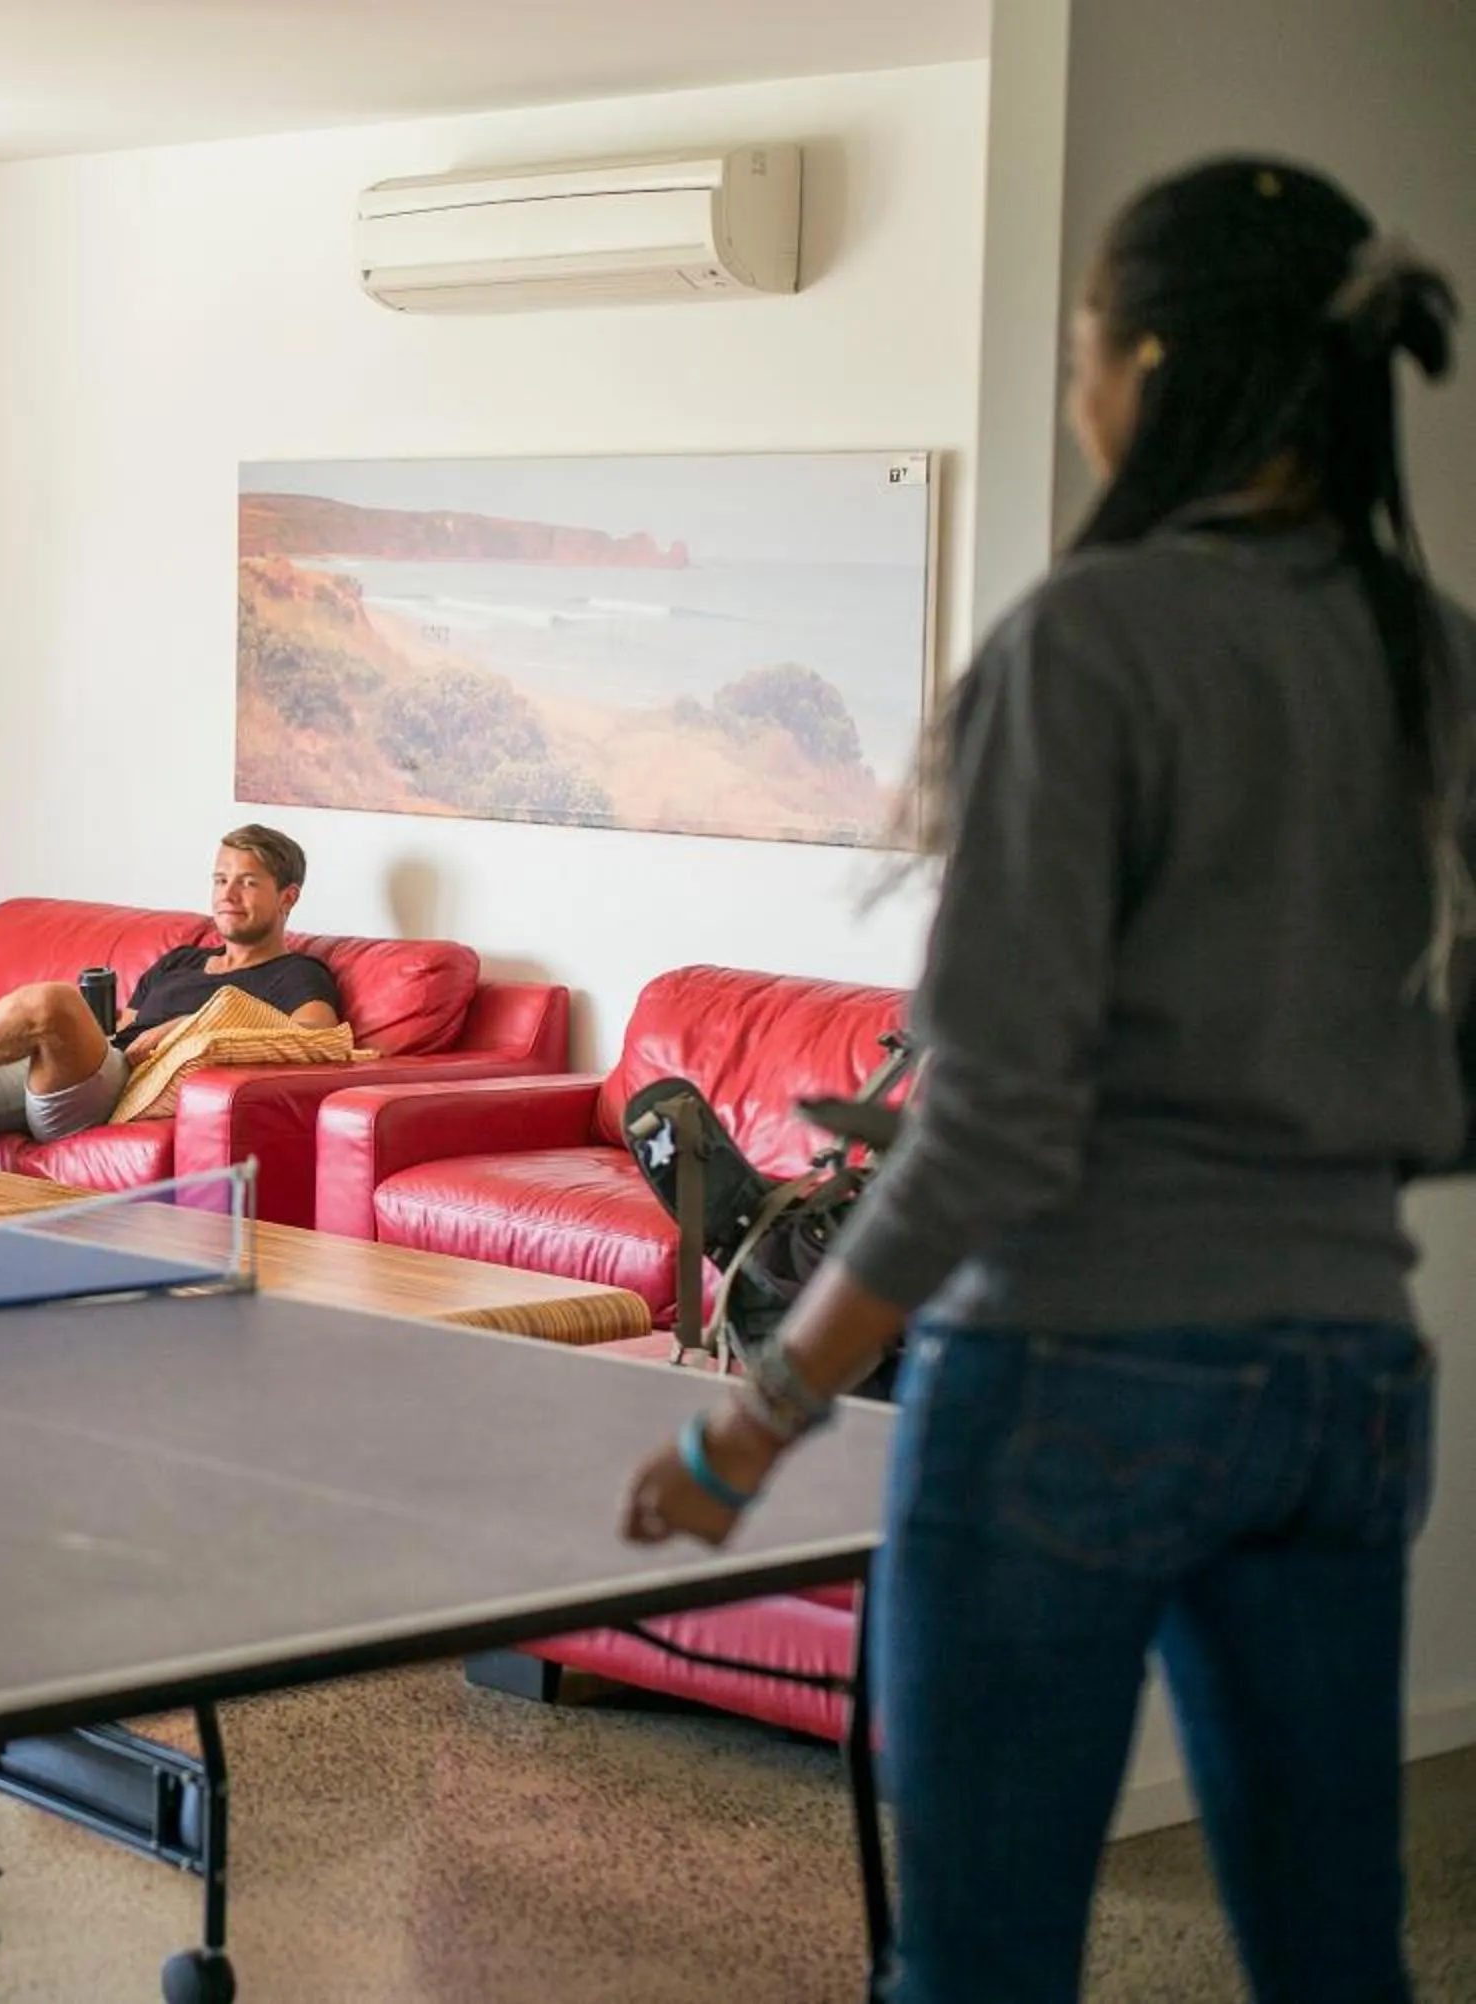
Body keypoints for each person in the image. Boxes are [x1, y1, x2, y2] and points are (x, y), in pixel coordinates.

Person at [620, 158, 1469, 2004]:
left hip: (1077, 1373)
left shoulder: (1091, 637)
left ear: (1148, 364)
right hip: (1343, 1377)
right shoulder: (1431, 653)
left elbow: (996, 1125)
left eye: (1083, 347)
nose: (1078, 390)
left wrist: (757, 1415)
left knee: (981, 1966)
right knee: (1339, 1961)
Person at [0, 824, 342, 1151]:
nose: (227, 895)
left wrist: (186, 1029)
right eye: (220, 879)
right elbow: (123, 1028)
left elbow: (315, 1042)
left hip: (122, 1092)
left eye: (248, 883)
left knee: (51, 1001)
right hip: (76, 1071)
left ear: (287, 897)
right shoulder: (183, 959)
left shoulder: (298, 974)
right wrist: (93, 1028)